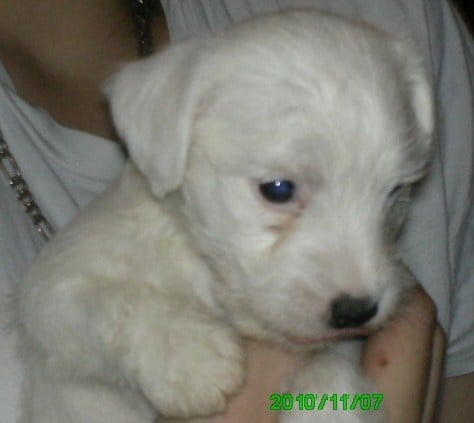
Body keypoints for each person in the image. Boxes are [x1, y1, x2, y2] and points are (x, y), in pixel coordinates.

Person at [0, 0, 471, 422]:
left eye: (391, 192)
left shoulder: (406, 15)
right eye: (280, 191)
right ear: (162, 137)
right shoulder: (123, 232)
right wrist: (146, 335)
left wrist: (345, 401)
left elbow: (367, 395)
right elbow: (51, 305)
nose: (362, 283)